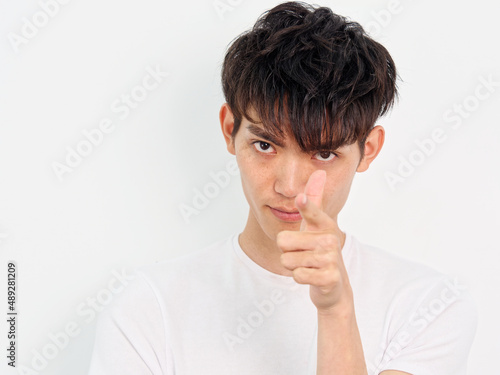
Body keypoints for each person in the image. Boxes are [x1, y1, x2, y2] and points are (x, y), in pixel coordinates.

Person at [88, 2, 477, 374]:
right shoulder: (148, 307)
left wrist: (336, 310)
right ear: (229, 130)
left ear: (368, 150)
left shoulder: (427, 306)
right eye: (265, 146)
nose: (289, 187)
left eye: (323, 154)